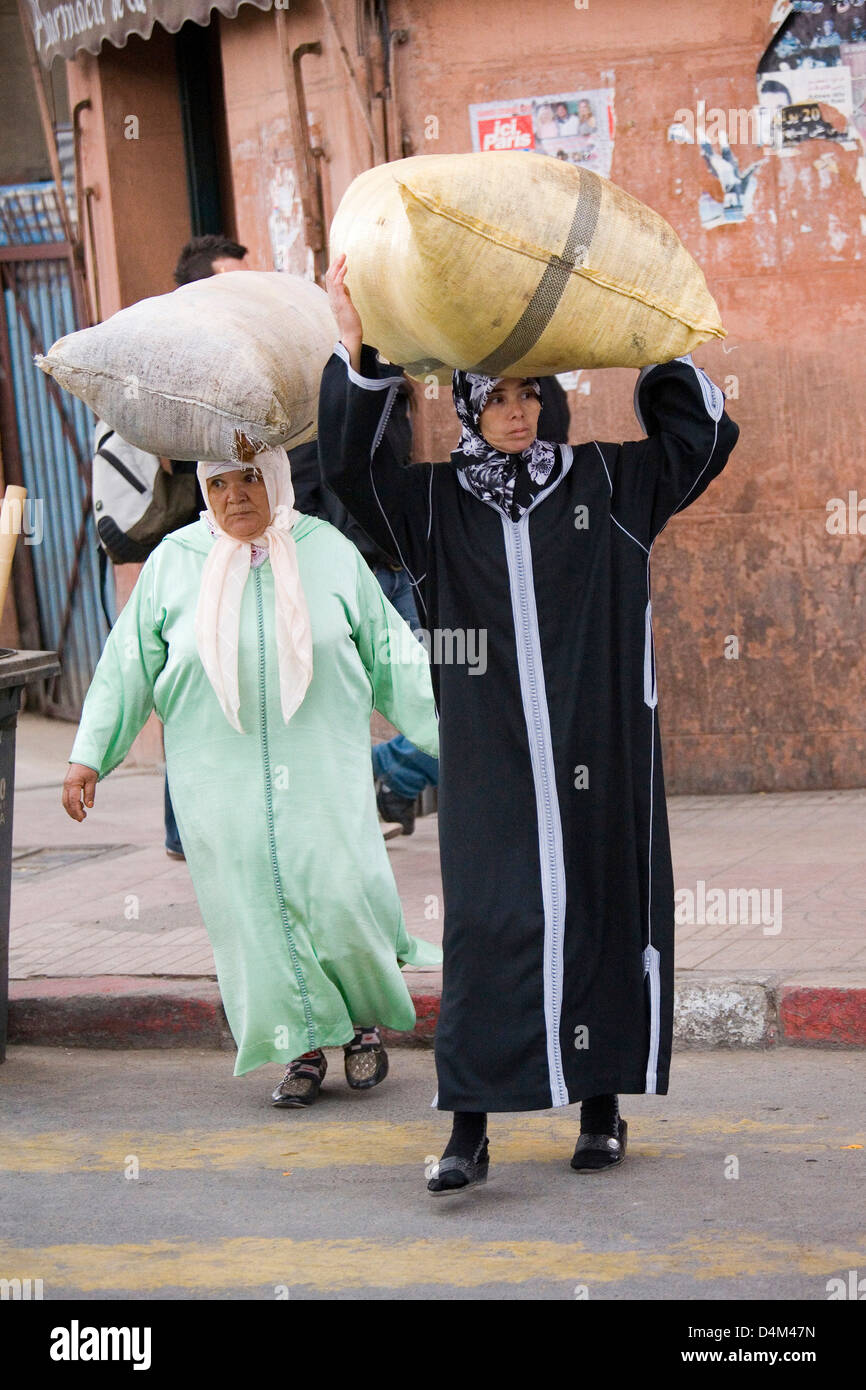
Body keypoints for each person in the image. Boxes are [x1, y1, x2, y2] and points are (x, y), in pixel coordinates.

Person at [320, 253, 739, 1192]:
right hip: (494, 759)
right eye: (497, 396)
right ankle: (468, 1130)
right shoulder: (430, 508)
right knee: (491, 925)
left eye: (532, 392)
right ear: (467, 406)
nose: (517, 411)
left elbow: (700, 441)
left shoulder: (609, 488)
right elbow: (349, 469)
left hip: (601, 749)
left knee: (600, 907)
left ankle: (601, 1109)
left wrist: (653, 340)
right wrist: (362, 350)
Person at [62, 449, 441, 1105]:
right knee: (254, 913)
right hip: (218, 781)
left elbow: (392, 653)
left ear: (277, 480)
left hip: (321, 768)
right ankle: (298, 1050)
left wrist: (459, 734)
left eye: (250, 479)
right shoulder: (173, 563)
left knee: (341, 891)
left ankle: (360, 1028)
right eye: (218, 483)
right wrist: (89, 753)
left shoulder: (325, 550)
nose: (235, 496)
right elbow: (128, 664)